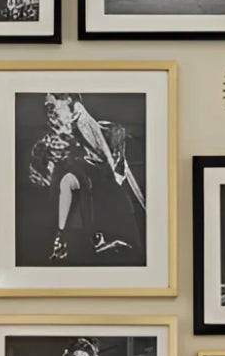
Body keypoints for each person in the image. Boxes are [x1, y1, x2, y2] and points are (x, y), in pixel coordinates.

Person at [26, 93, 145, 263]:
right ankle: (66, 238)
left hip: (97, 177)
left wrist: (114, 168)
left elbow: (102, 149)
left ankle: (90, 239)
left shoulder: (79, 118)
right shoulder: (57, 134)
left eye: (51, 103)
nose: (48, 107)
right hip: (79, 176)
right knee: (67, 181)